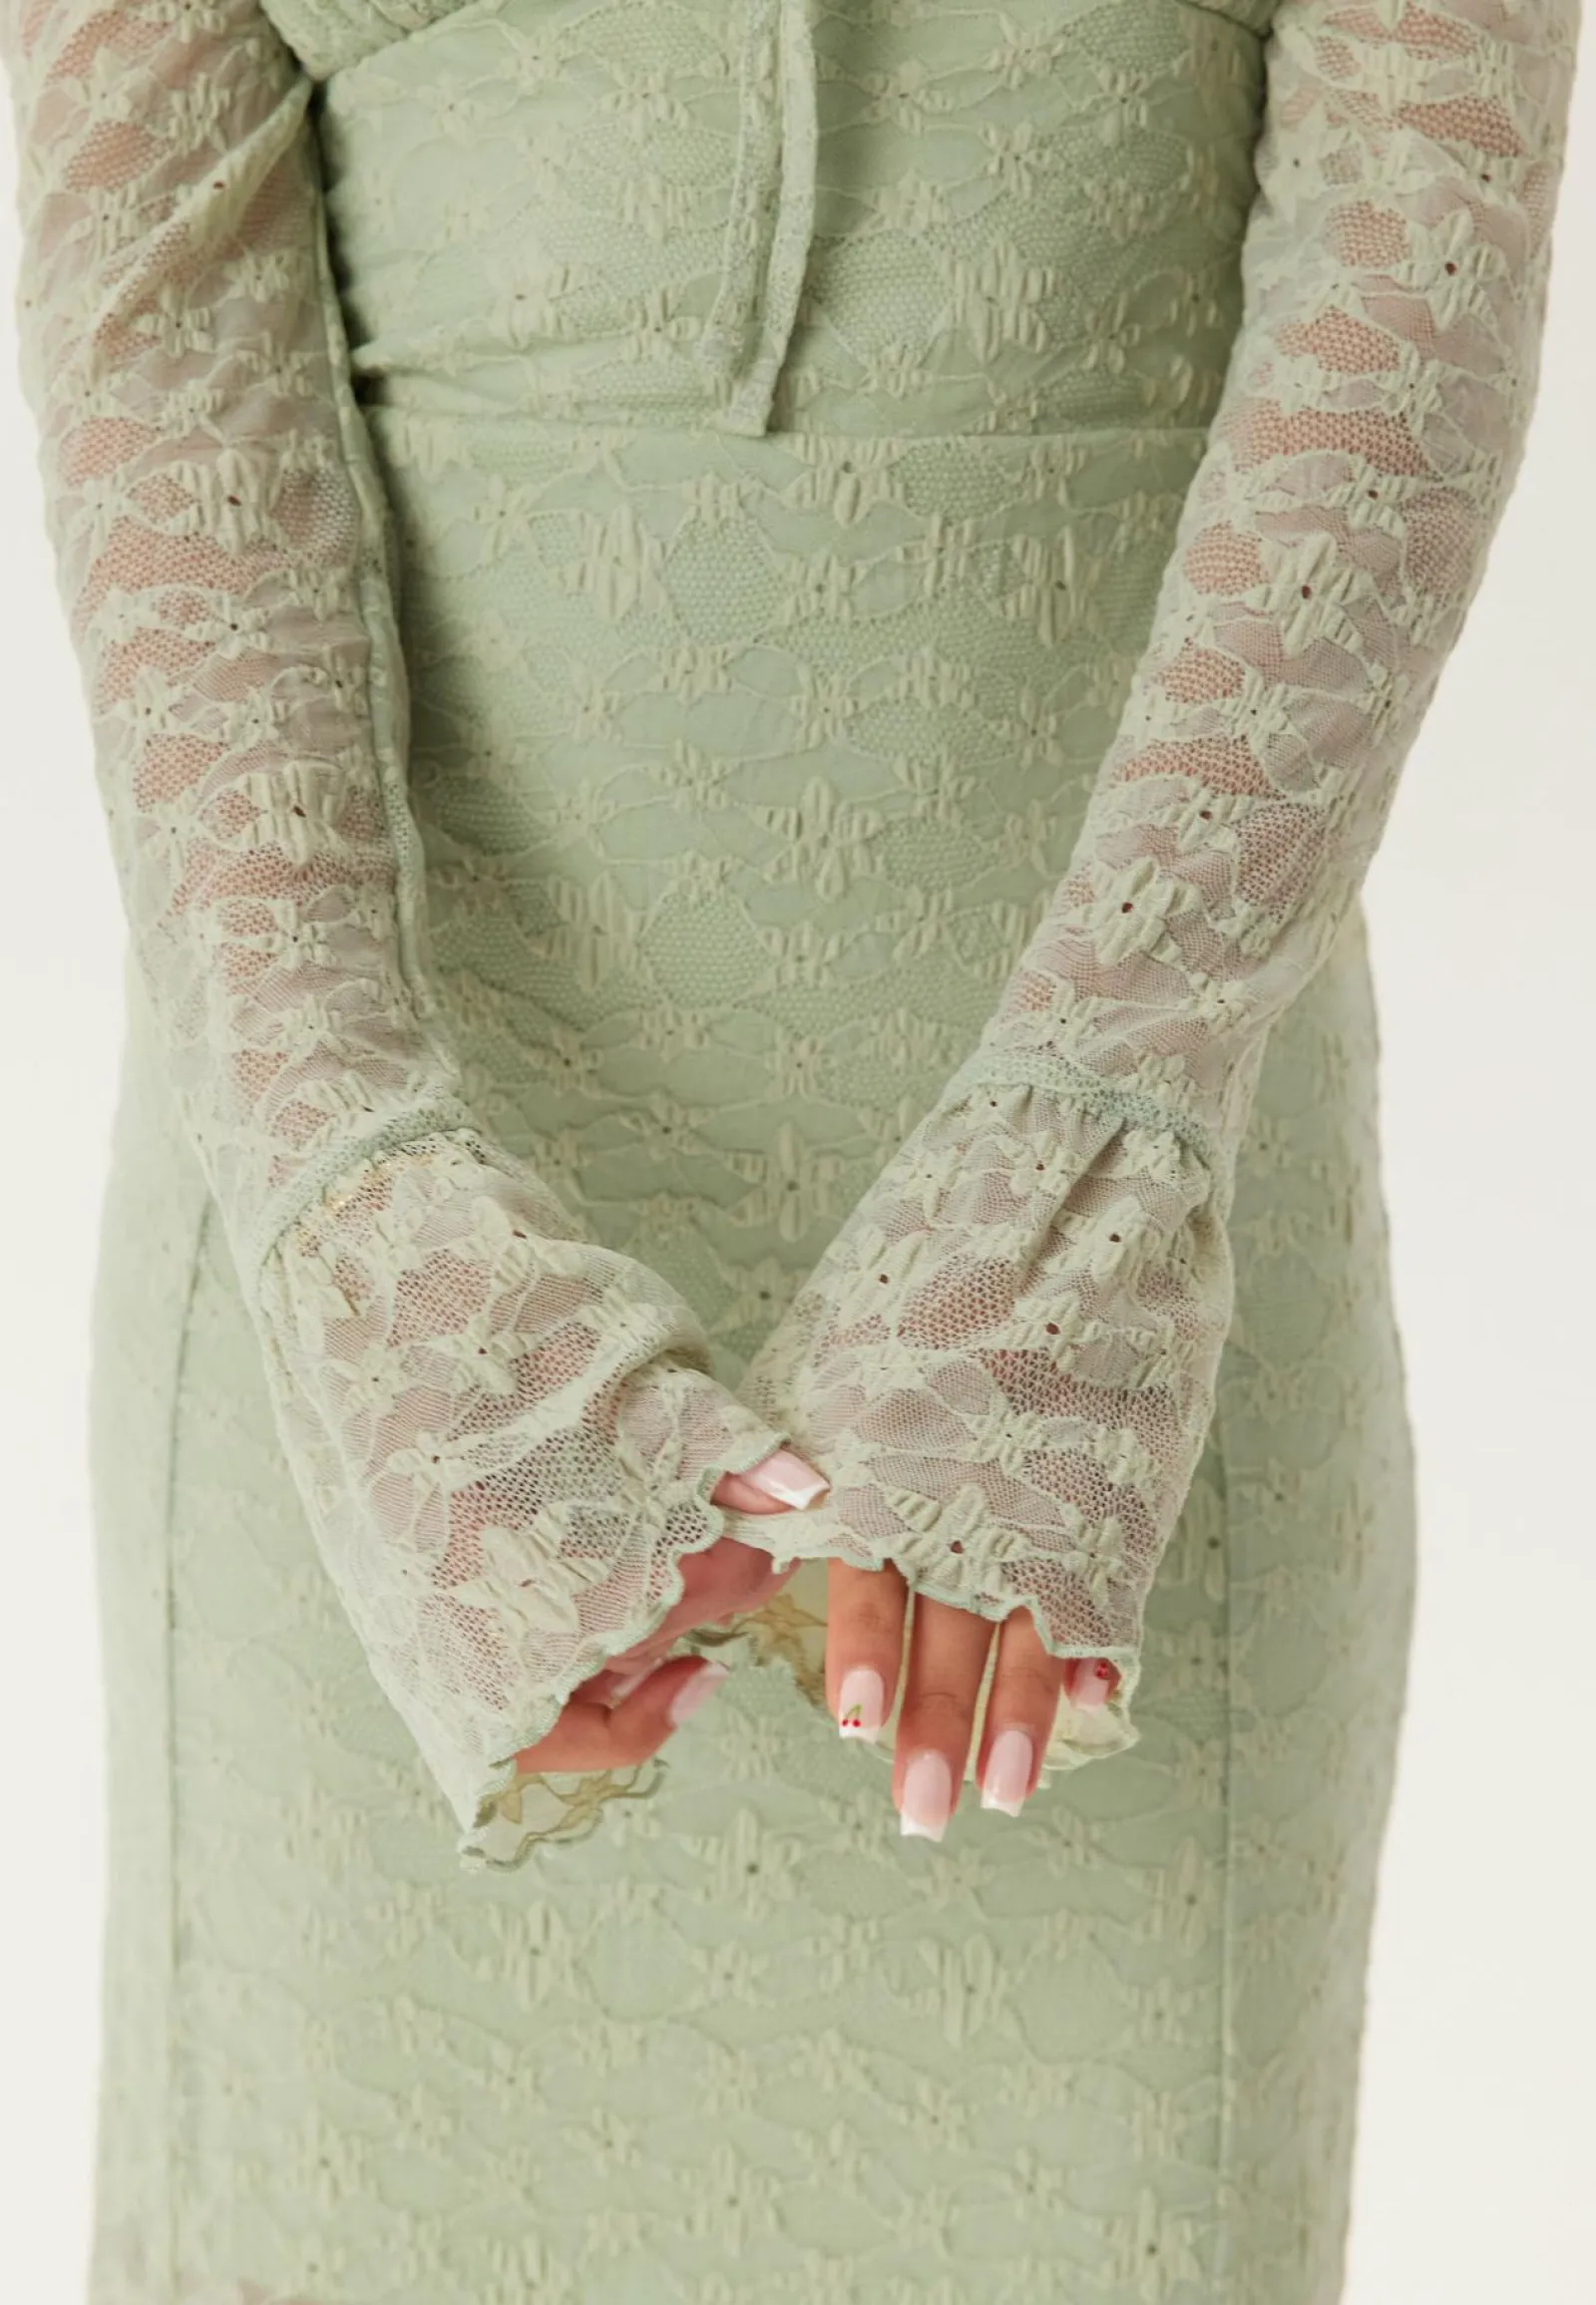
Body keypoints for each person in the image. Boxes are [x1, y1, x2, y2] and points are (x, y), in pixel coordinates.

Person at [0, 0, 1578, 2294]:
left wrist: (1085, 1157)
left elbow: (1413, 265)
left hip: (1110, 1378)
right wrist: (358, 1219)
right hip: (380, 1377)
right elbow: (152, 357)